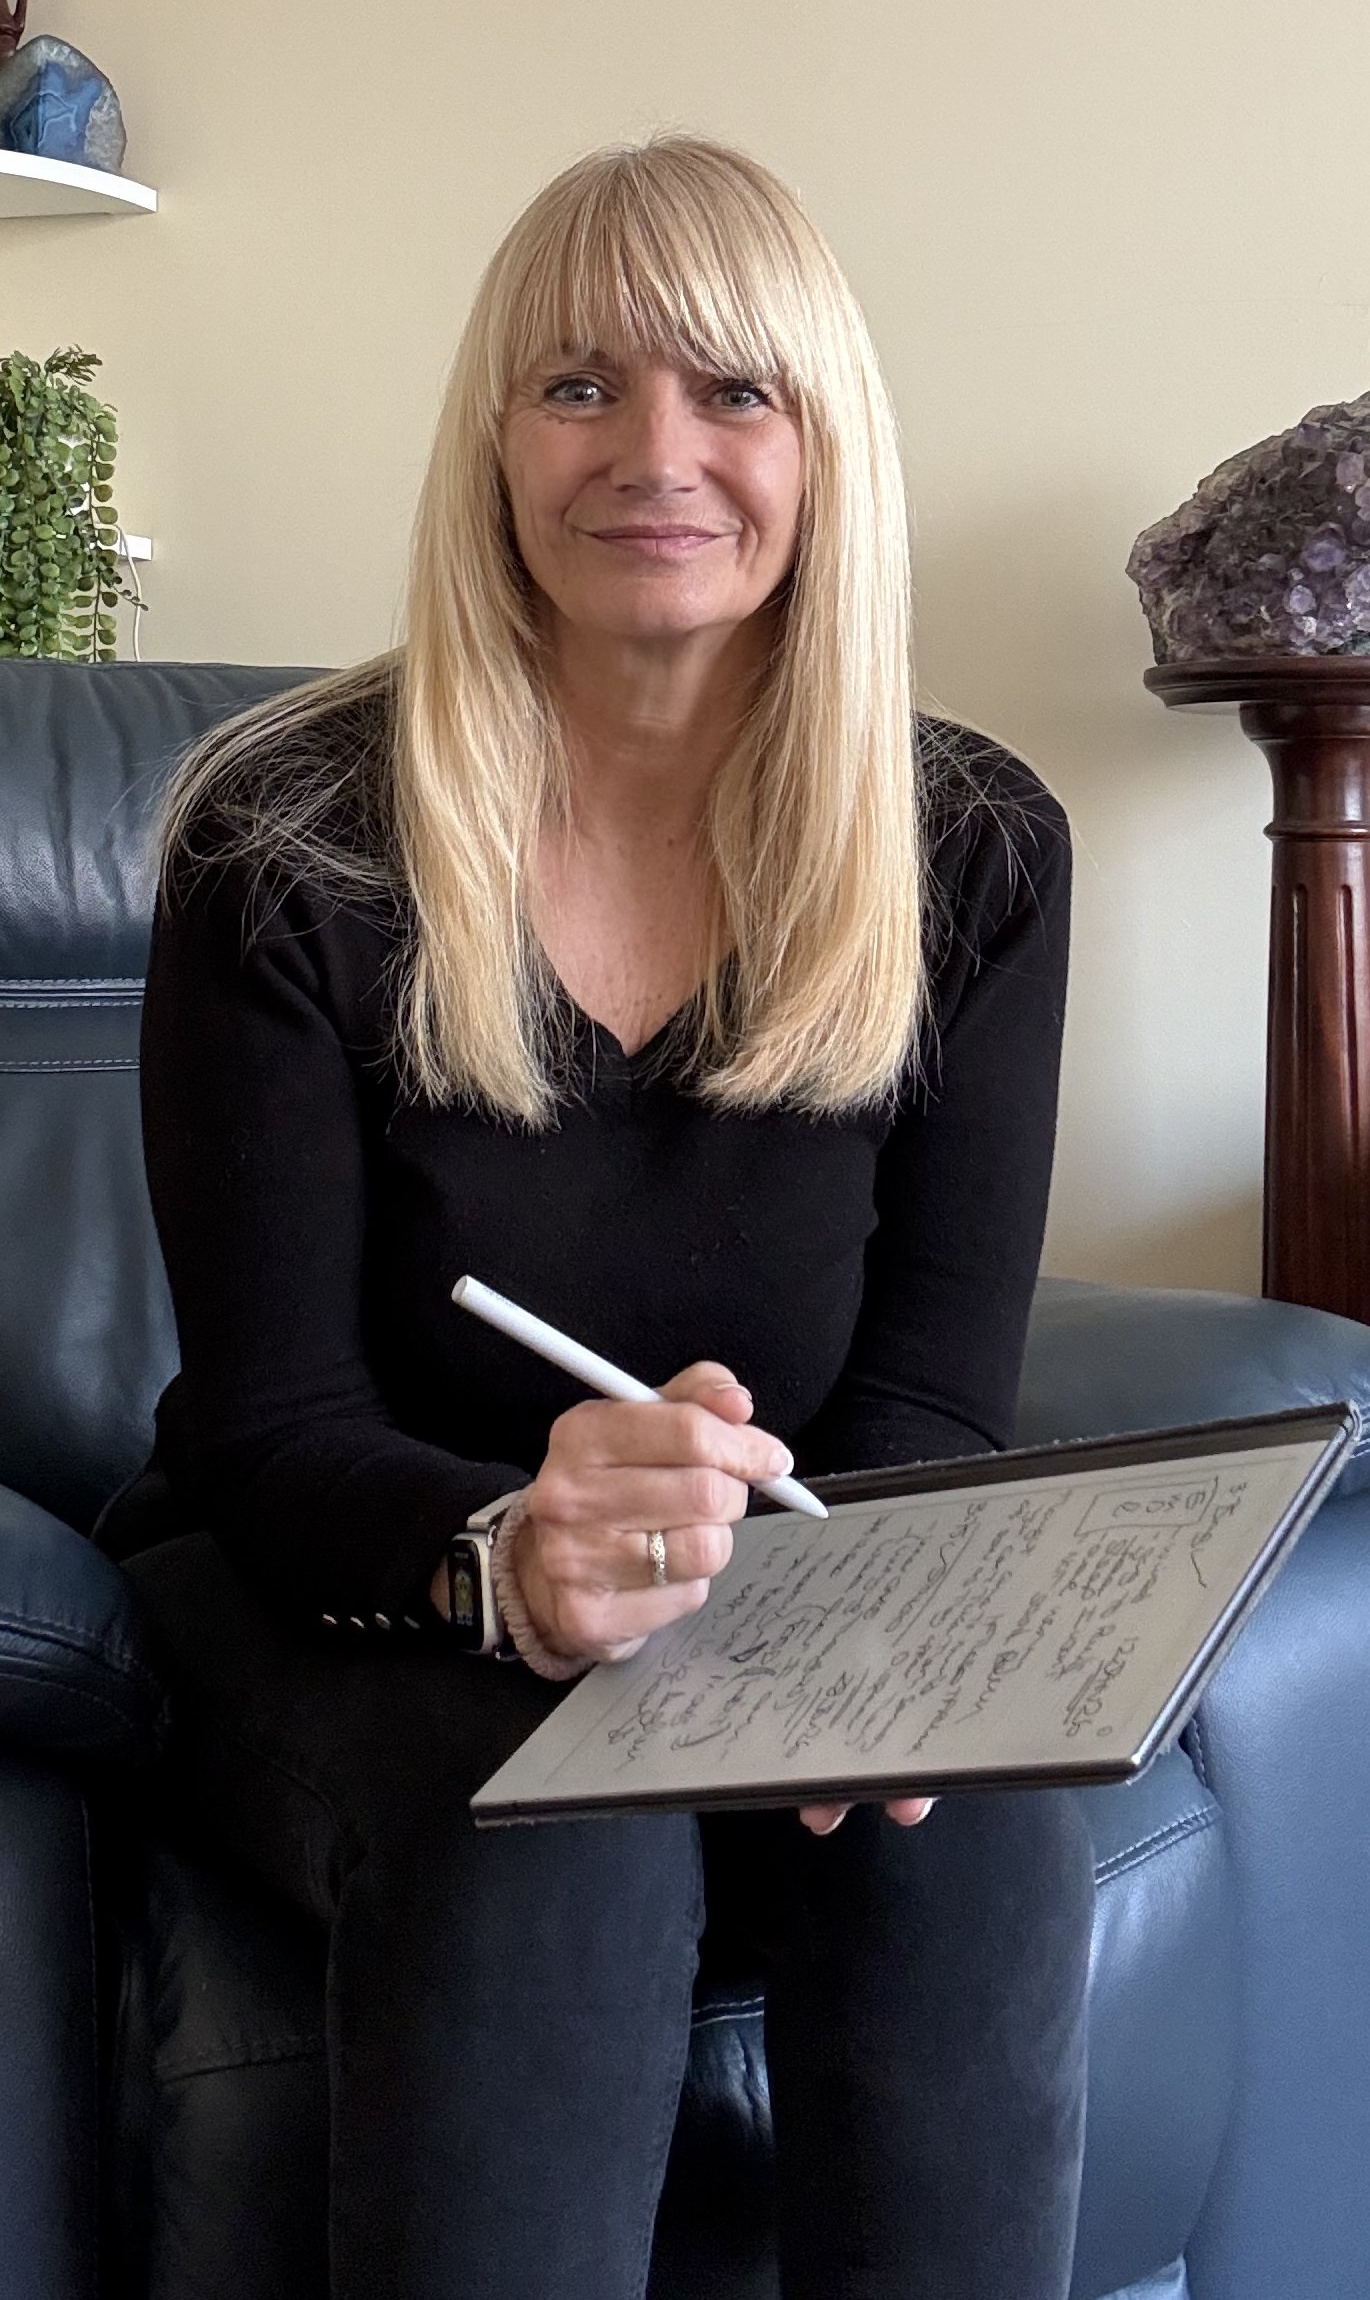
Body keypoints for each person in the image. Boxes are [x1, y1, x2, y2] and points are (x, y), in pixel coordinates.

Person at [121, 137, 1091, 2300]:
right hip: (344, 1603)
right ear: (495, 444)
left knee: (983, 1817)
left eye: (736, 391)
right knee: (556, 1791)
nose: (657, 451)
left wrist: (882, 1665)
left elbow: (934, 1393)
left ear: (826, 446)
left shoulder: (974, 848)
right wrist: (506, 1552)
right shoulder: (282, 839)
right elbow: (266, 1422)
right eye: (580, 387)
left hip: (764, 1617)